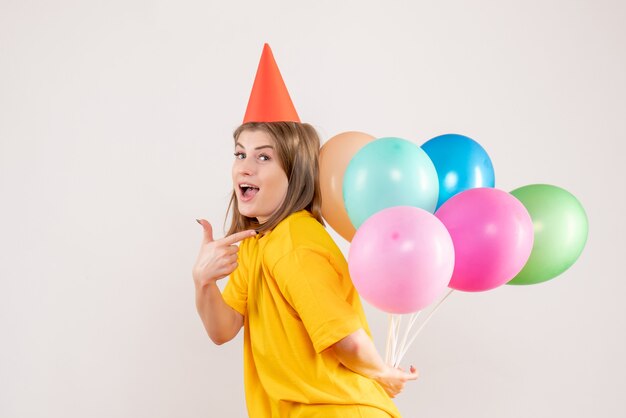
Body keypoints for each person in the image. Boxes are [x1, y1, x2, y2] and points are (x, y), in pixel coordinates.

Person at [192, 44, 418, 418]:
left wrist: (382, 372)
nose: (245, 167)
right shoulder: (256, 243)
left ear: (294, 173)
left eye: (263, 157)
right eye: (240, 153)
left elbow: (340, 334)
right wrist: (202, 281)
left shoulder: (295, 241)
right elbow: (223, 328)